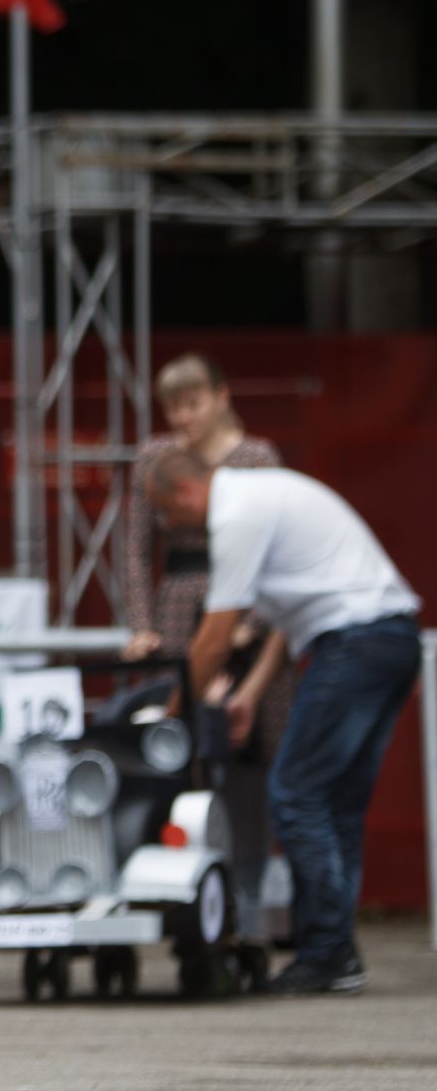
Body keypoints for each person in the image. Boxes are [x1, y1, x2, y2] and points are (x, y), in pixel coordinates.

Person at [144, 451, 420, 996]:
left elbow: (215, 637)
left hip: (356, 642)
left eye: (164, 514)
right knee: (333, 804)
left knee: (296, 794)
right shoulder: (261, 496)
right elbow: (282, 624)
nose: (170, 528)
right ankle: (335, 953)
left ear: (182, 492)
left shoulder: (236, 516)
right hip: (386, 637)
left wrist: (169, 717)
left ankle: (326, 953)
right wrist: (247, 693)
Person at [124, 354, 290, 931]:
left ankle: (262, 897)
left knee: (256, 747)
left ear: (221, 396)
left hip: (248, 607)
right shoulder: (156, 457)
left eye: (192, 403)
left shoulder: (257, 456)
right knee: (179, 743)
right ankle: (183, 892)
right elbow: (136, 545)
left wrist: (258, 623)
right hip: (180, 603)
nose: (183, 417)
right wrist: (143, 623)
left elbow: (276, 547)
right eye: (173, 406)